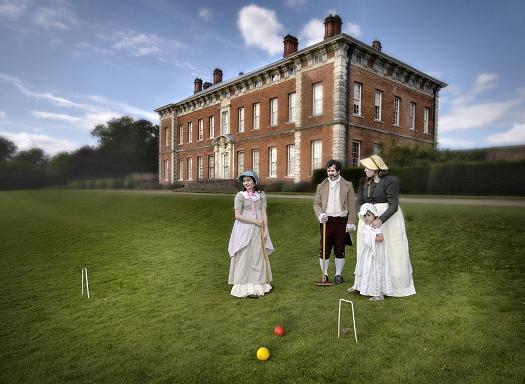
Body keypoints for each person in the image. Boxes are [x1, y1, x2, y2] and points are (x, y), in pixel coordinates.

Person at [349, 155, 416, 297]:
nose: (365, 170)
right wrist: (365, 215)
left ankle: (391, 286)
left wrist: (380, 219)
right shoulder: (364, 182)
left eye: (368, 167)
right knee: (366, 251)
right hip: (368, 218)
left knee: (391, 250)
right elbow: (359, 202)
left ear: (376, 168)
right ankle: (364, 285)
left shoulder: (391, 181)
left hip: (388, 219)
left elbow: (394, 205)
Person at [228, 170, 274, 298]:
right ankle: (244, 286)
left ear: (254, 181)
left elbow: (263, 213)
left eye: (248, 180)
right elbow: (237, 216)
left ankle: (259, 284)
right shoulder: (240, 196)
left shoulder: (261, 195)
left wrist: (266, 230)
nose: (246, 182)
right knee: (245, 256)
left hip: (258, 230)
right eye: (244, 181)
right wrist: (255, 222)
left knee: (257, 256)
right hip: (243, 229)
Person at [313, 159, 357, 284]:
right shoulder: (321, 186)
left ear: (338, 171)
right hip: (327, 221)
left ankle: (338, 275)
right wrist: (321, 214)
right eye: (328, 170)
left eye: (332, 170)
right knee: (324, 248)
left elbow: (352, 206)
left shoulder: (347, 185)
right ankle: (325, 274)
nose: (330, 173)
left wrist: (351, 223)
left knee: (340, 248)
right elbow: (316, 204)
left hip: (341, 221)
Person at [352, 203, 391, 301]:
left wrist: (372, 237)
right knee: (366, 268)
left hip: (375, 252)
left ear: (374, 215)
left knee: (375, 269)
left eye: (369, 215)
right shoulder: (366, 226)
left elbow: (381, 238)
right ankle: (363, 288)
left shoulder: (376, 226)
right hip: (367, 251)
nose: (367, 218)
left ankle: (378, 293)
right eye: (365, 216)